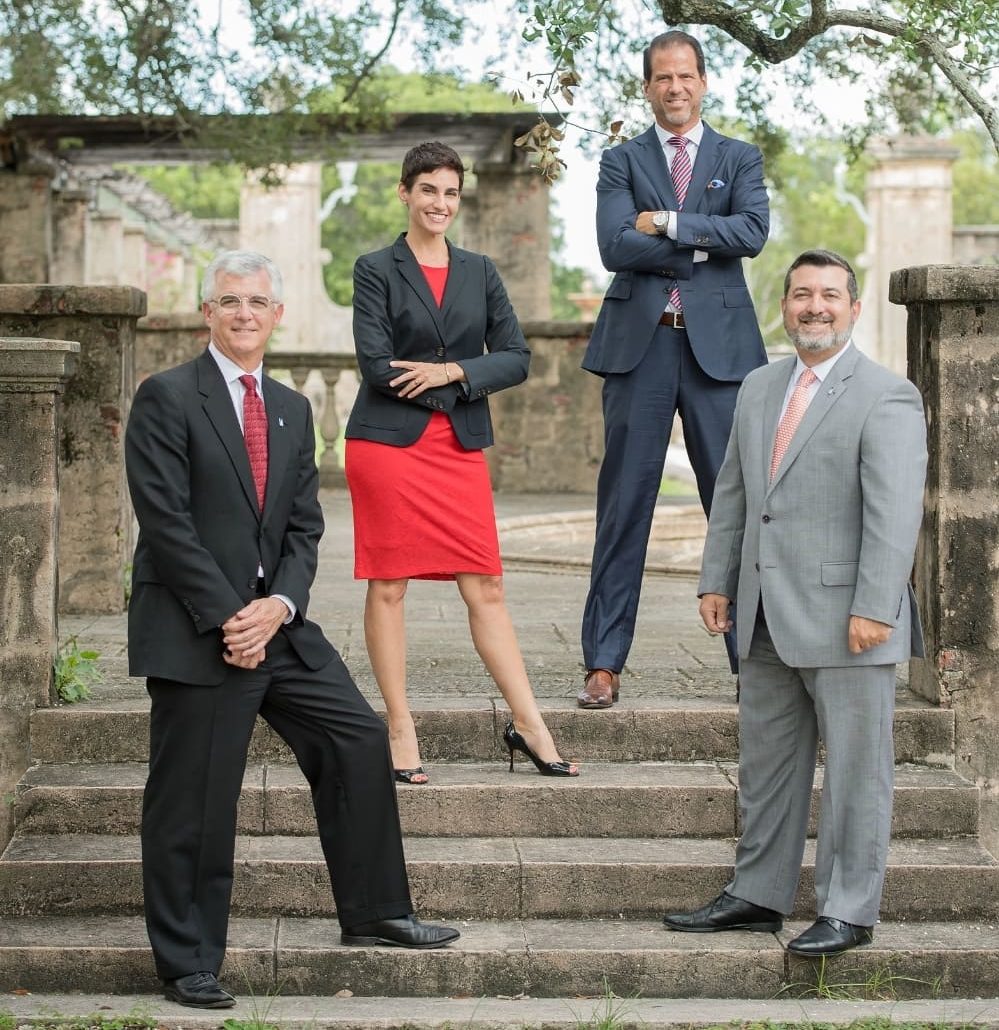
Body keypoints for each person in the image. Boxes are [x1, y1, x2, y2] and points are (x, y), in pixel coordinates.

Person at [125, 250, 459, 1010]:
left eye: (258, 302)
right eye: (229, 300)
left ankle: (374, 911)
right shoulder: (166, 397)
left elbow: (304, 528)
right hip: (195, 628)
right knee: (195, 798)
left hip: (277, 626)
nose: (244, 313)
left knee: (357, 738)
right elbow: (166, 523)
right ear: (206, 312)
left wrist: (279, 607)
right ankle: (187, 961)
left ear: (279, 315)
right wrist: (228, 616)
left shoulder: (291, 407)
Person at [662, 250, 927, 956]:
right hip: (761, 613)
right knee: (765, 766)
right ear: (783, 305)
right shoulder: (757, 387)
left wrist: (875, 604)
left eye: (830, 295)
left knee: (854, 774)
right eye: (801, 294)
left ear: (853, 308)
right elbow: (735, 495)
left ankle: (847, 909)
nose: (815, 306)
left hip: (850, 619)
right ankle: (756, 894)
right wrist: (716, 579)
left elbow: (894, 513)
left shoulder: (886, 394)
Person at [345, 140, 577, 784]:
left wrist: (451, 370)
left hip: (457, 445)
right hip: (388, 444)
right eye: (428, 190)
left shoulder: (480, 270)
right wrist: (460, 375)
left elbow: (516, 357)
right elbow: (375, 363)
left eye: (450, 192)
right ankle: (399, 725)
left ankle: (529, 723)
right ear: (405, 193)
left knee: (487, 585)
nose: (439, 203)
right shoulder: (374, 268)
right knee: (389, 585)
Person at [578, 30, 770, 709]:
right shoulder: (619, 159)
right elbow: (611, 244)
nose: (674, 88)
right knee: (623, 506)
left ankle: (753, 661)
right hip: (640, 348)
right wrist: (695, 246)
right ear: (647, 86)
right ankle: (602, 662)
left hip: (719, 356)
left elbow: (751, 232)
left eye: (685, 76)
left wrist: (666, 223)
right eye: (662, 77)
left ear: (703, 81)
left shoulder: (738, 156)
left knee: (735, 505)